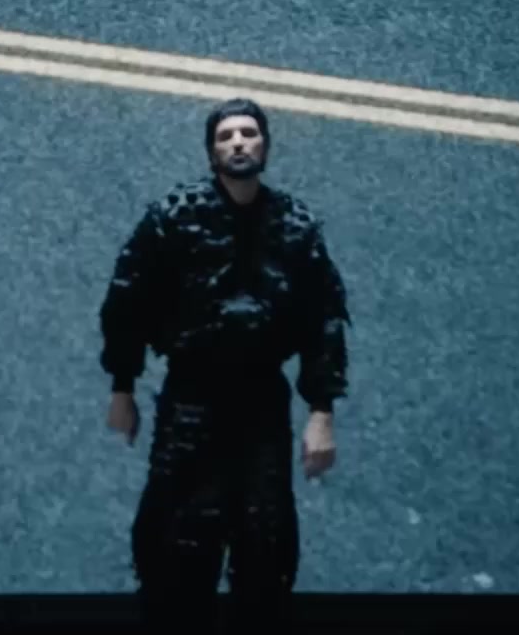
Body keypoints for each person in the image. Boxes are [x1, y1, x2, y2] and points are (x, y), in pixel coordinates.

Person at [97, 98, 351, 632]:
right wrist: (122, 388)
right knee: (177, 539)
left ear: (266, 145)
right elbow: (128, 301)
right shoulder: (174, 217)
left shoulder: (294, 226)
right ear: (212, 151)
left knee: (266, 540)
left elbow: (322, 319)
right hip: (192, 398)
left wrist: (321, 413)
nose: (238, 142)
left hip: (261, 403)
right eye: (226, 136)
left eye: (249, 133)